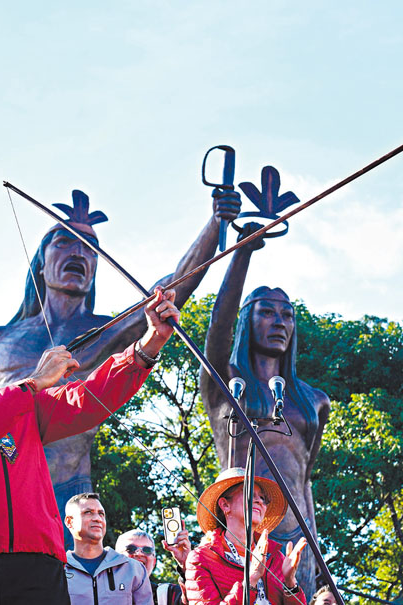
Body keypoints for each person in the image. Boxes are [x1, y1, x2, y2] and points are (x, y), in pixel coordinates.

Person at [0, 231, 179, 604]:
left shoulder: (12, 400)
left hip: (35, 565)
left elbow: (83, 401)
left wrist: (147, 347)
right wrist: (32, 384)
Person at [0, 188, 240, 543]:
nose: (78, 253)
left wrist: (216, 222)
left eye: (89, 248)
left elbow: (173, 285)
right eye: (64, 242)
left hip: (66, 491)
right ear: (40, 259)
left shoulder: (103, 331)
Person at [201, 222, 330, 596]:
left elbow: (304, 481)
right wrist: (242, 253)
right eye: (267, 313)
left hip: (296, 535)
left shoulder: (313, 400)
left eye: (287, 315)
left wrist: (316, 547)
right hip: (239, 529)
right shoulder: (226, 386)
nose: (280, 322)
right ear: (247, 321)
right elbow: (217, 331)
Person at [185, 467, 307, 604]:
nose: (259, 501)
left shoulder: (276, 557)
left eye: (263, 497)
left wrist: (290, 583)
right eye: (249, 493)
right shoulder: (201, 558)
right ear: (225, 505)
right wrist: (251, 580)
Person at [64, 493, 153, 604]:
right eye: (88, 512)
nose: (97, 518)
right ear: (69, 522)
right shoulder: (58, 570)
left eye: (101, 514)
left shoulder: (133, 569)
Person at [116, 527, 191, 605]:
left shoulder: (167, 595)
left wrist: (186, 565)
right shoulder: (103, 592)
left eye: (147, 550)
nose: (139, 553)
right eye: (131, 549)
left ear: (153, 563)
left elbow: (196, 599)